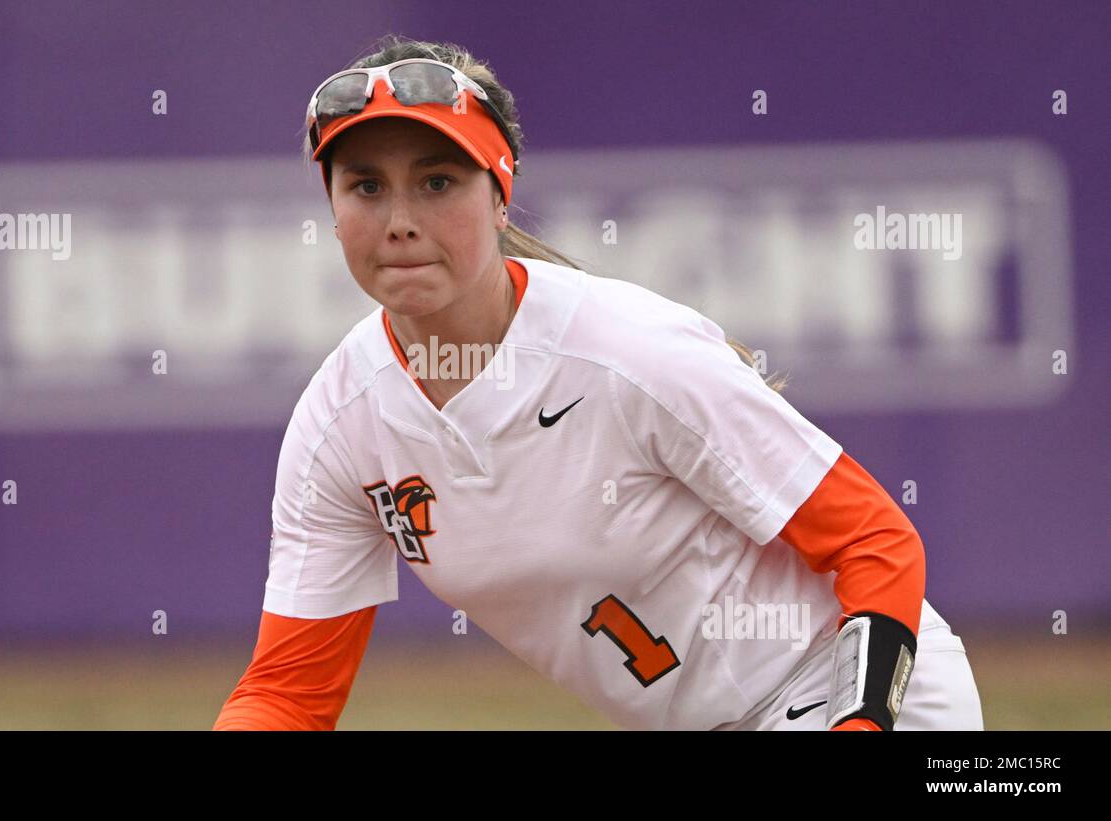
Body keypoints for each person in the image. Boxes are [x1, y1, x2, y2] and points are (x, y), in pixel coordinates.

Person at [213, 35, 984, 731]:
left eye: (440, 181)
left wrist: (859, 725)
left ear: (500, 190)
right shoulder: (340, 422)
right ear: (332, 207)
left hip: (855, 692)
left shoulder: (628, 351)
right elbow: (288, 694)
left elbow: (877, 541)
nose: (400, 219)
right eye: (366, 186)